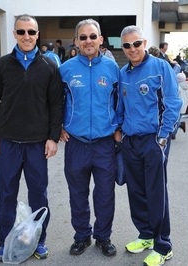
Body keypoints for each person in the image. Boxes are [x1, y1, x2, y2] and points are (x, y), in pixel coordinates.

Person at [0, 14, 64, 262]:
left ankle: (39, 240)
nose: (27, 36)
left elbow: (55, 105)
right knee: (6, 194)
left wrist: (52, 137)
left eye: (31, 32)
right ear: (15, 34)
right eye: (21, 32)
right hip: (8, 143)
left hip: (37, 145)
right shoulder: (2, 66)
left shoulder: (49, 66)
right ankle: (4, 241)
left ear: (38, 34)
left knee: (39, 195)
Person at [118, 25, 182, 266]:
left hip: (154, 140)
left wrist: (163, 138)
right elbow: (120, 106)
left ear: (144, 43)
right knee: (135, 191)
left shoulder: (160, 67)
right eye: (127, 45)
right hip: (130, 141)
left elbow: (173, 102)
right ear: (122, 47)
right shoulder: (123, 72)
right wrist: (120, 131)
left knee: (156, 193)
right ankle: (145, 235)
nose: (132, 48)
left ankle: (163, 245)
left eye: (136, 43)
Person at [59, 18, 120, 257]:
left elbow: (120, 102)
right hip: (76, 144)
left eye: (92, 36)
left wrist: (119, 127)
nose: (88, 41)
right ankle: (82, 236)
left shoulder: (113, 69)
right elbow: (53, 101)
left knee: (105, 195)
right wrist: (57, 127)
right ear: (76, 41)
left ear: (100, 40)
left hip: (105, 144)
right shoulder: (66, 69)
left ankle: (103, 237)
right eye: (83, 37)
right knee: (77, 194)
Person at [171, 73, 188, 140]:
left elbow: (174, 96)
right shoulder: (187, 86)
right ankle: (175, 131)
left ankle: (173, 133)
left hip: (177, 106)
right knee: (177, 119)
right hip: (184, 106)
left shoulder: (177, 87)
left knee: (174, 120)